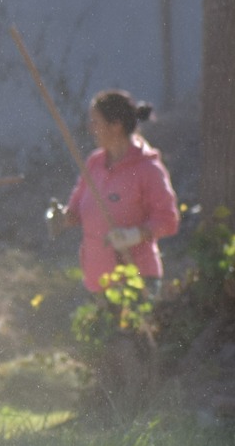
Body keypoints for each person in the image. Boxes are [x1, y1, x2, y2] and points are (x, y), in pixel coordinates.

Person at [54, 89, 180, 293]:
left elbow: (168, 220)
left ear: (116, 126)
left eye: (96, 122)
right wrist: (62, 216)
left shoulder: (147, 169)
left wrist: (135, 235)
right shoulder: (94, 164)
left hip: (136, 280)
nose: (90, 128)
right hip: (97, 281)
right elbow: (75, 210)